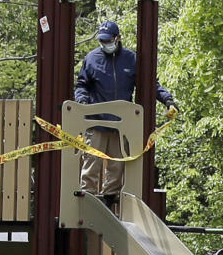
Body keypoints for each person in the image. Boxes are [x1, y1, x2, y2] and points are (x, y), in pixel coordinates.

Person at [75, 20, 177, 206]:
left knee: (117, 163)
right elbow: (82, 85)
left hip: (120, 123)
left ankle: (109, 196)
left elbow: (150, 84)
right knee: (92, 160)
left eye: (108, 40)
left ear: (117, 38)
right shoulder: (91, 58)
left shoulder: (131, 59)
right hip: (96, 121)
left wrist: (168, 100)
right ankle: (87, 198)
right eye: (102, 41)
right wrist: (82, 102)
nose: (105, 44)